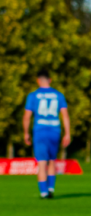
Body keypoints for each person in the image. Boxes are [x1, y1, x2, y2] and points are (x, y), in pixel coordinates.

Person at [23, 70, 71, 198]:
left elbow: (27, 116)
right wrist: (67, 133)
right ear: (50, 80)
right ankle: (51, 189)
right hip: (55, 130)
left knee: (42, 162)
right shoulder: (58, 95)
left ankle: (44, 192)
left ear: (38, 80)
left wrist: (26, 133)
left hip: (40, 130)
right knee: (52, 161)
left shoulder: (33, 96)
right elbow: (65, 116)